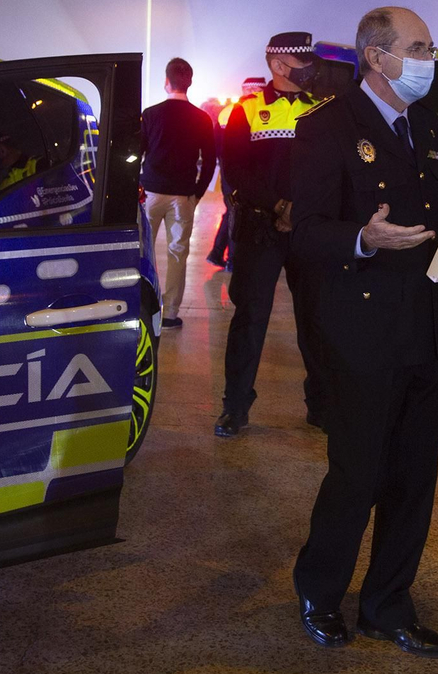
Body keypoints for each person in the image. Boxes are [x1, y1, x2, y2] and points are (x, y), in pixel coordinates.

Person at [290, 6, 438, 656]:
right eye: (417, 47)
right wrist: (363, 238)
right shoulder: (327, 129)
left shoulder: (424, 126)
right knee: (357, 471)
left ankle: (388, 602)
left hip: (427, 326)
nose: (429, 58)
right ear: (376, 55)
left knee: (413, 475)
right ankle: (319, 586)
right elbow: (305, 229)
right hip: (362, 330)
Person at [216, 38, 328, 436]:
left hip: (308, 230)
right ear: (278, 65)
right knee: (250, 318)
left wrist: (300, 208)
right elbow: (235, 170)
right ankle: (236, 406)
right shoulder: (246, 111)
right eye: (300, 60)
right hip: (259, 228)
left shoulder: (320, 109)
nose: (308, 67)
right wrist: (280, 205)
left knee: (315, 318)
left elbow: (330, 169)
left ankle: (321, 404)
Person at [139, 58, 216, 330]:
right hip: (182, 196)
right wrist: (197, 192)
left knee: (142, 250)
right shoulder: (201, 118)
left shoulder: (150, 114)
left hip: (150, 192)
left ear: (166, 80)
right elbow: (209, 160)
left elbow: (138, 152)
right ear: (190, 82)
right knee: (177, 253)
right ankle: (170, 314)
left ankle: (140, 306)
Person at [208, 77, 266, 270]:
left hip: (227, 170)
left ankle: (217, 253)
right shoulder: (253, 110)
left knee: (232, 211)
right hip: (241, 171)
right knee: (237, 213)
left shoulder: (226, 112)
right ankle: (232, 260)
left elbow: (216, 145)